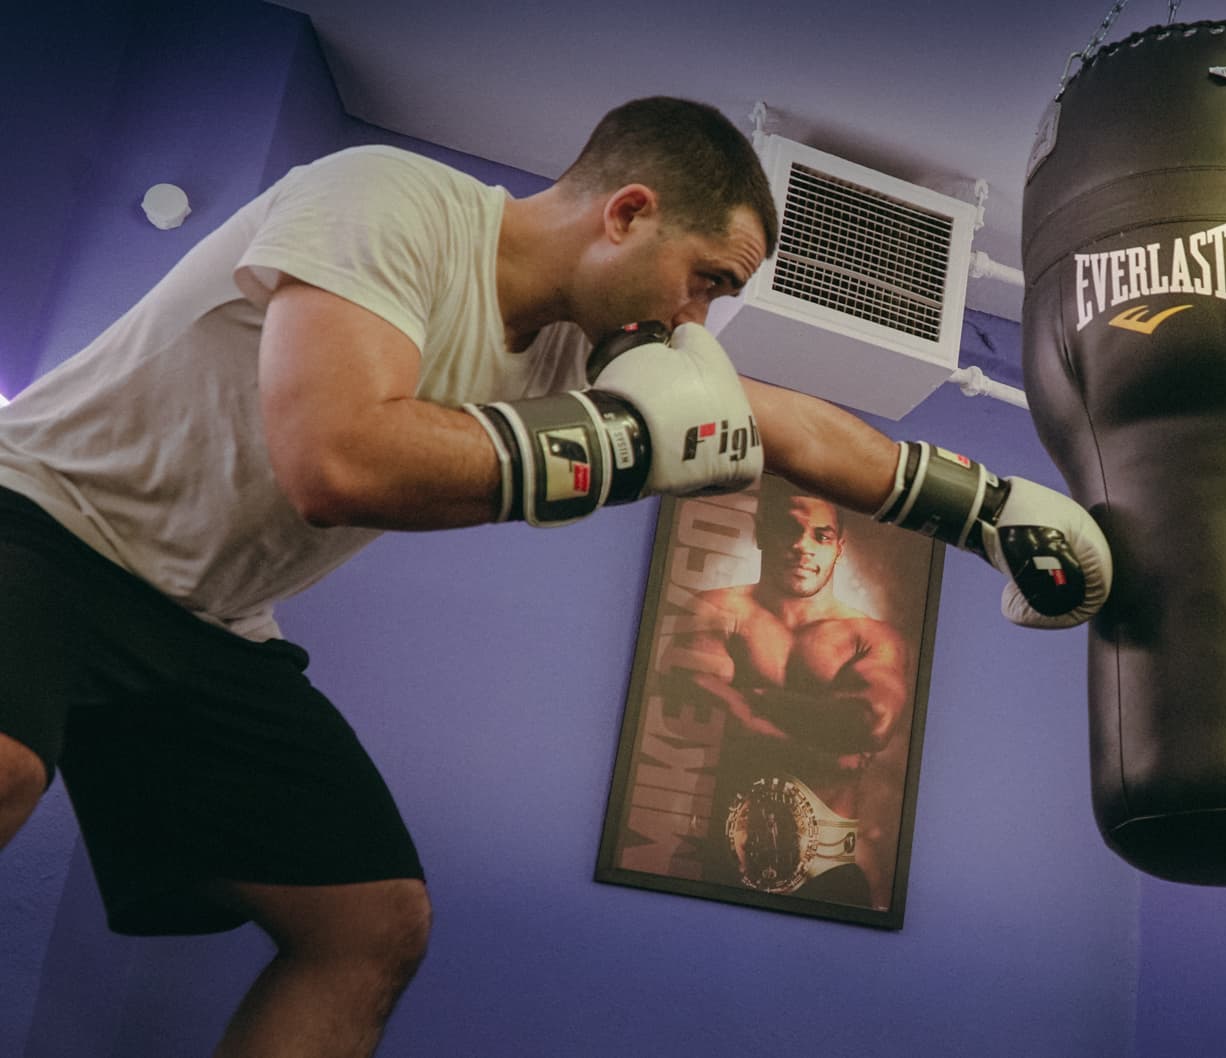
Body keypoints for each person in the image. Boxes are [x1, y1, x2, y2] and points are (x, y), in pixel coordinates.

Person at [0, 96, 1108, 1058]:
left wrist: (991, 511)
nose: (696, 322)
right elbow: (332, 461)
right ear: (625, 211)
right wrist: (613, 449)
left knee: (371, 925)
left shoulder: (582, 348)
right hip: (41, 523)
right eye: (703, 282)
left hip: (205, 621)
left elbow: (789, 430)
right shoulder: (382, 202)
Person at [674, 478, 912, 908]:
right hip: (726, 849)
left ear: (839, 545)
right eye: (789, 529)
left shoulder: (871, 637)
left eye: (821, 535)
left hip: (834, 863)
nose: (804, 546)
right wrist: (825, 740)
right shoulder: (718, 610)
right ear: (762, 533)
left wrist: (756, 699)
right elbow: (705, 713)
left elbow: (869, 722)